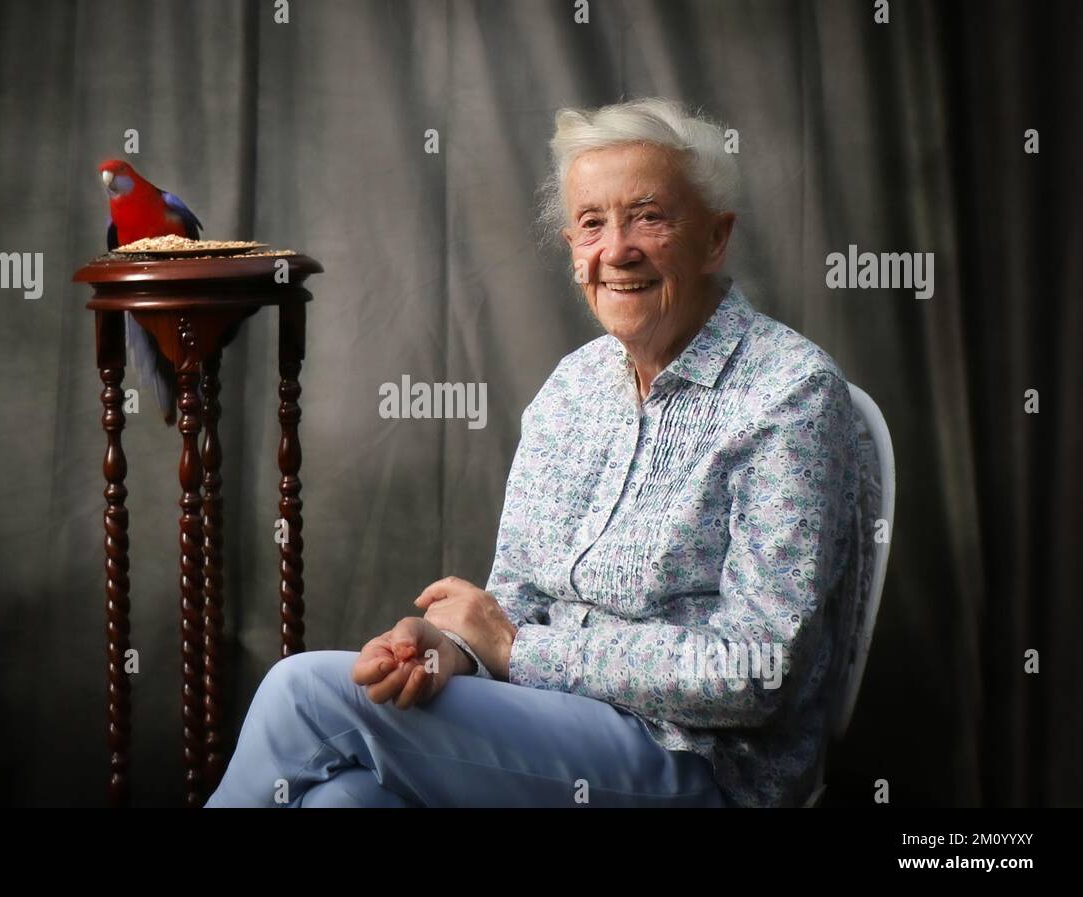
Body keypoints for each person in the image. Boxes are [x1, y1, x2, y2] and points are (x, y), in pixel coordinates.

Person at [206, 97, 859, 808]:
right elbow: (516, 598)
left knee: (302, 692)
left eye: (649, 216)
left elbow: (755, 670)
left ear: (714, 238)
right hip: (554, 728)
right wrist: (447, 648)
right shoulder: (571, 386)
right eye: (591, 223)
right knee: (346, 802)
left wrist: (517, 651)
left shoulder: (790, 390)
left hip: (702, 762)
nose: (617, 249)